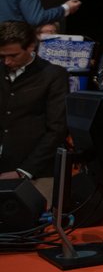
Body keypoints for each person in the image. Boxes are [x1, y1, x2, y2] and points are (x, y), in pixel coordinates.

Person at [0, 20, 67, 201]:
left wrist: (24, 171)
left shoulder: (53, 75)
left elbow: (57, 129)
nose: (7, 61)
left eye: (13, 55)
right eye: (2, 56)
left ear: (31, 46)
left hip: (36, 172)